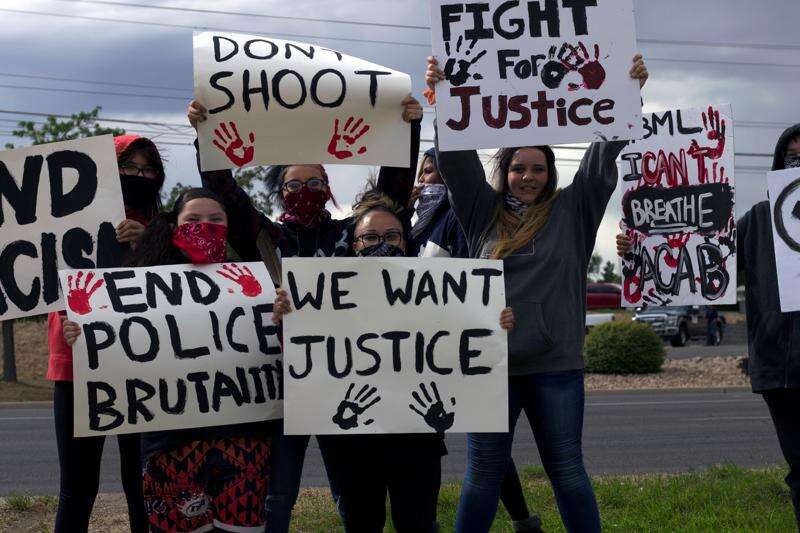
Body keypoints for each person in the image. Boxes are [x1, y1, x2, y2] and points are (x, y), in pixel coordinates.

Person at [425, 54, 649, 532]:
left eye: (539, 169)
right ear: (504, 172)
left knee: (567, 474)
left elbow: (603, 152)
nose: (528, 177)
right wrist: (444, 96)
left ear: (552, 174)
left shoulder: (576, 210)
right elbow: (454, 160)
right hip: (491, 368)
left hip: (557, 368)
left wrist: (627, 93)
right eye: (518, 168)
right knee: (483, 477)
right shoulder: (481, 212)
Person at [187, 96, 422, 532]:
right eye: (295, 185)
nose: (306, 193)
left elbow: (390, 195)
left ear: (329, 189)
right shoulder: (267, 236)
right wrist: (205, 135)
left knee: (349, 492)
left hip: (342, 378)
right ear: (280, 193)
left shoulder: (350, 233)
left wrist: (406, 130)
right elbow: (226, 192)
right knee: (278, 496)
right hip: (283, 383)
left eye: (316, 184)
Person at [271, 188, 516, 532]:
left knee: (416, 524)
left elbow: (463, 338)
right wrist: (287, 317)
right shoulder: (322, 295)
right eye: (369, 236)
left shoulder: (433, 289)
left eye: (390, 235)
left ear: (405, 241)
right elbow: (306, 354)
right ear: (354, 244)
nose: (379, 242)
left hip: (416, 437)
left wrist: (494, 321)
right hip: (351, 442)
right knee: (361, 524)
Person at [617, 122, 800, 529]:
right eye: (792, 156)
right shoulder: (755, 221)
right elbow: (700, 259)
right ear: (779, 163)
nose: (798, 163)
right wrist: (640, 249)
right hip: (781, 370)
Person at [62, 188, 273, 533]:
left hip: (243, 439)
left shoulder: (254, 281)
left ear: (229, 226)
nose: (204, 225)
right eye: (193, 219)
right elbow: (119, 346)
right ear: (174, 226)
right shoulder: (139, 283)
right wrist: (83, 334)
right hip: (170, 445)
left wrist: (282, 316)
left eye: (215, 219)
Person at [412, 152, 543, 532]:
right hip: (420, 347)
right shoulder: (418, 221)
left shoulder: (461, 215)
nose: (426, 177)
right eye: (422, 171)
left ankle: (520, 519)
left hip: (458, 344)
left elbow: (475, 274)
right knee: (430, 436)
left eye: (433, 168)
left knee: (484, 444)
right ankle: (431, 519)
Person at [46, 134, 165, 533]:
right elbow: (50, 278)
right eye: (129, 166)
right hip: (77, 365)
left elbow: (178, 297)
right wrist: (66, 319)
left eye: (149, 169)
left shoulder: (160, 228)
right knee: (78, 487)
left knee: (143, 483)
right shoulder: (68, 220)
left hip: (140, 367)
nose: (139, 175)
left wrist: (147, 243)